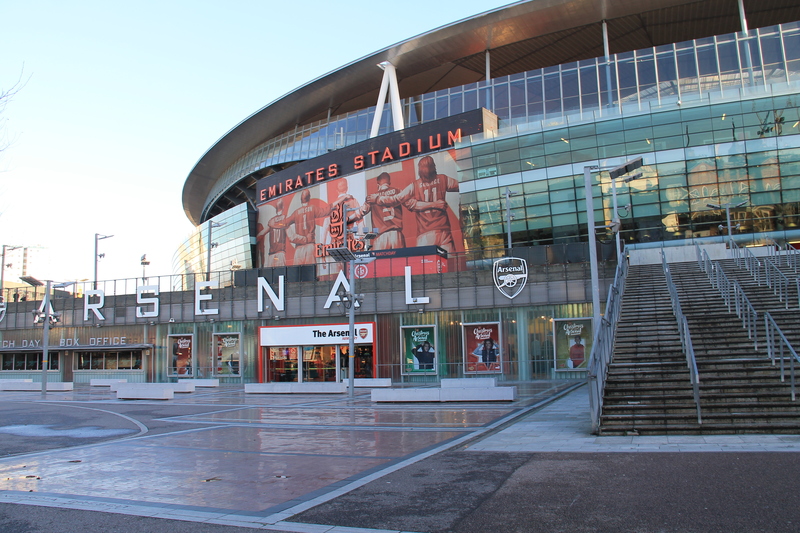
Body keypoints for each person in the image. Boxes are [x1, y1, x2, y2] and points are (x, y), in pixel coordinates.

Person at [371, 155, 459, 253]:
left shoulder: (414, 185)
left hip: (425, 233)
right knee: (450, 264)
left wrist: (378, 199)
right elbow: (462, 185)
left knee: (422, 265)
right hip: (444, 231)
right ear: (434, 167)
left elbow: (396, 199)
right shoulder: (443, 179)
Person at [352, 172, 406, 250]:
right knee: (402, 261)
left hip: (381, 236)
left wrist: (348, 218)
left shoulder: (371, 197)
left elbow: (362, 212)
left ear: (378, 184)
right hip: (396, 235)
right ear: (389, 182)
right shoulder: (398, 191)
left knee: (380, 261)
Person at [278, 189, 331, 265]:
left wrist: (295, 237)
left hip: (299, 248)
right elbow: (326, 211)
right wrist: (339, 200)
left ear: (300, 200)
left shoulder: (296, 212)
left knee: (297, 274)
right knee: (310, 272)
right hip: (310, 246)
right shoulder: (312, 208)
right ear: (309, 198)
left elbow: (284, 223)